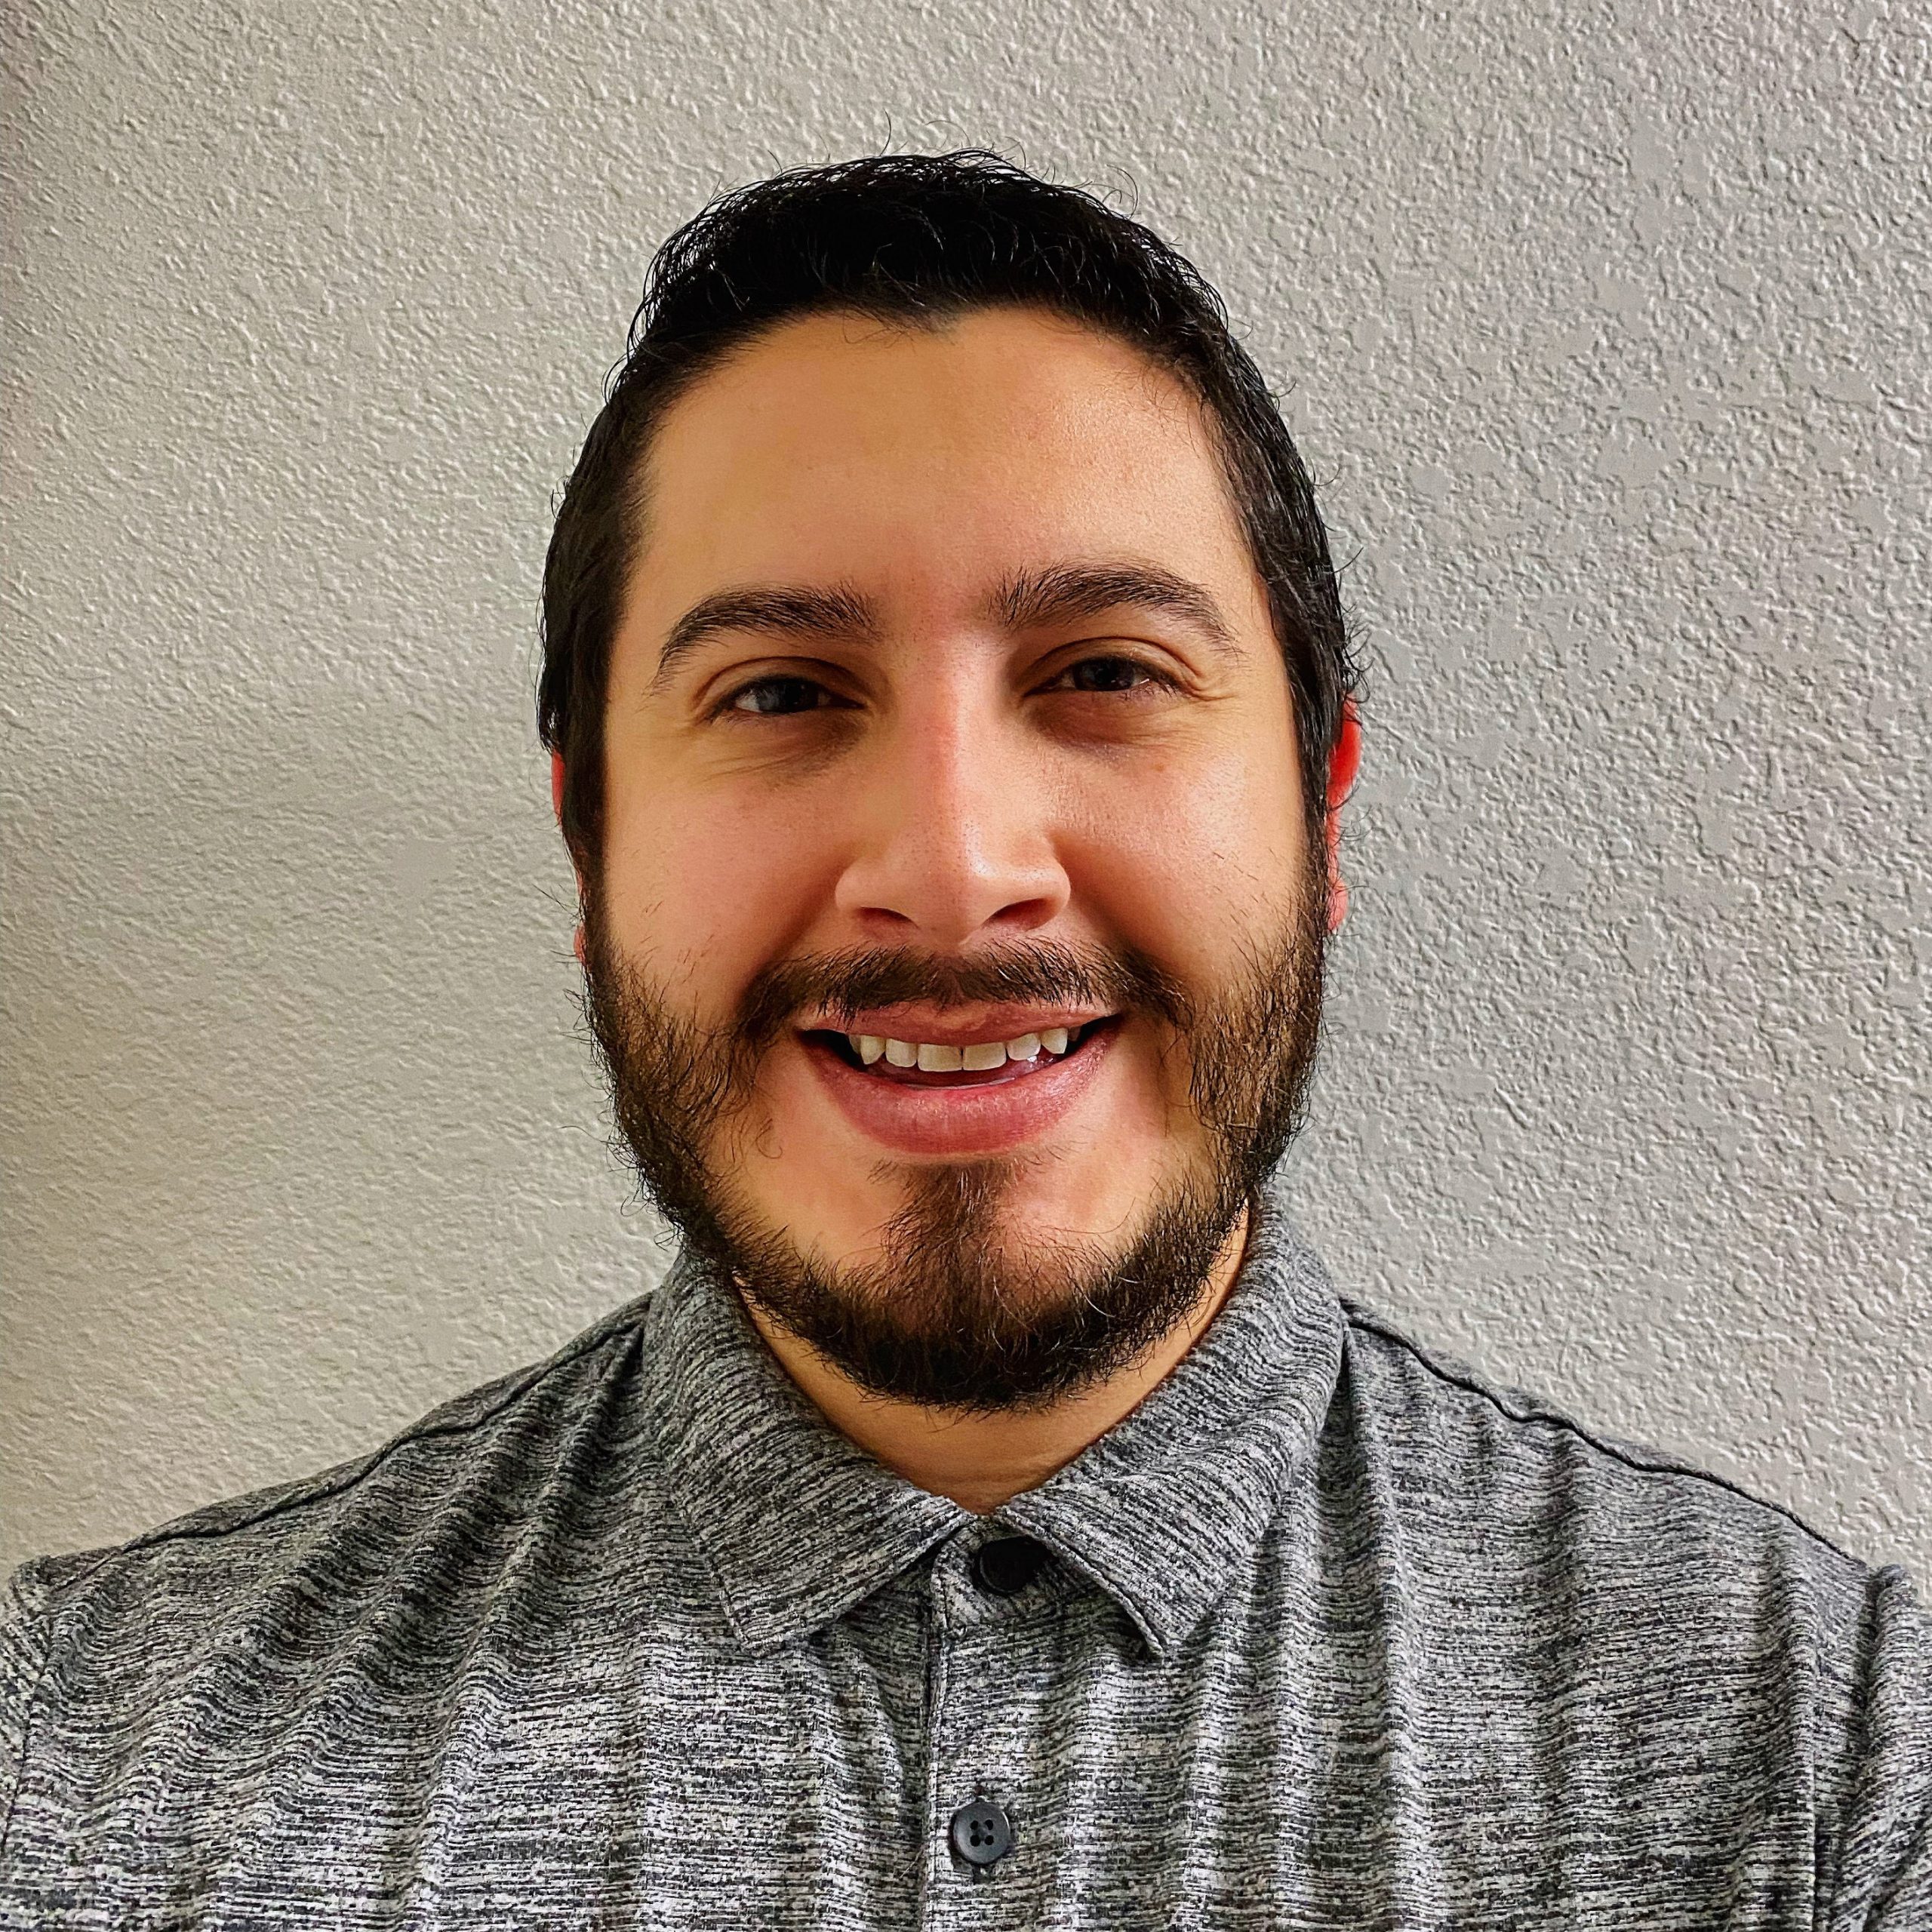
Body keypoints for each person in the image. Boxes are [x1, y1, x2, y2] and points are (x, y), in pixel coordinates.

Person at [2, 149, 1926, 1927]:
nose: (949, 871)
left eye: (1101, 672)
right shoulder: (93, 1762)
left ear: (1318, 805)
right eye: (777, 691)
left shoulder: (1819, 1765)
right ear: (590, 839)